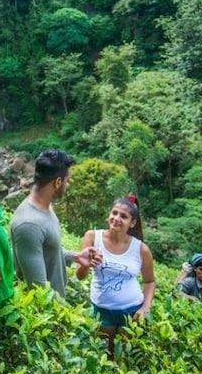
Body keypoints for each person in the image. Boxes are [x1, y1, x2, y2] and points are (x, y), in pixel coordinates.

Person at [10, 149, 100, 298]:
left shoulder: (45, 207)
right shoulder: (29, 225)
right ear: (58, 182)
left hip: (57, 306)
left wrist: (75, 256)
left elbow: (47, 251)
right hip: (46, 315)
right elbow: (40, 292)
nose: (68, 184)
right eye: (67, 180)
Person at [75, 195, 156, 359]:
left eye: (124, 216)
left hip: (132, 310)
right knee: (104, 356)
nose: (117, 218)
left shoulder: (141, 249)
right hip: (102, 309)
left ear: (132, 223)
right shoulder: (92, 237)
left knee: (124, 358)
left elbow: (150, 281)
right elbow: (80, 276)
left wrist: (145, 307)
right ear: (109, 215)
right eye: (115, 213)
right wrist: (86, 264)